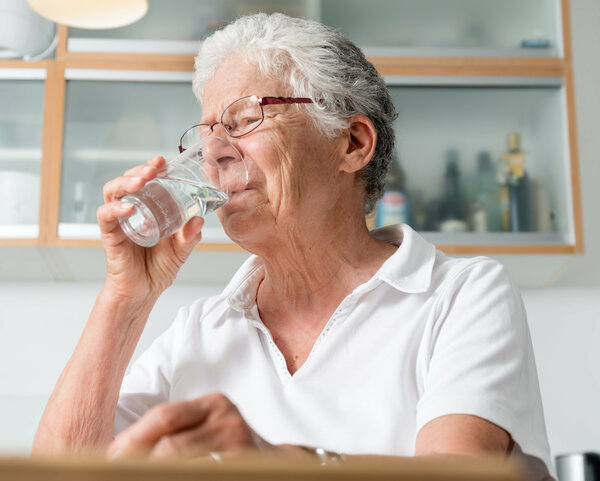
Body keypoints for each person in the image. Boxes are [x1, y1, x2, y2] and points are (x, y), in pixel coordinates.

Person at [33, 12, 554, 480]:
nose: (212, 152)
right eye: (208, 131)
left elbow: (461, 473)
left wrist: (271, 459)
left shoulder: (461, 295)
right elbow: (56, 475)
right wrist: (126, 298)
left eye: (243, 120)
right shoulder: (199, 331)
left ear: (352, 143)